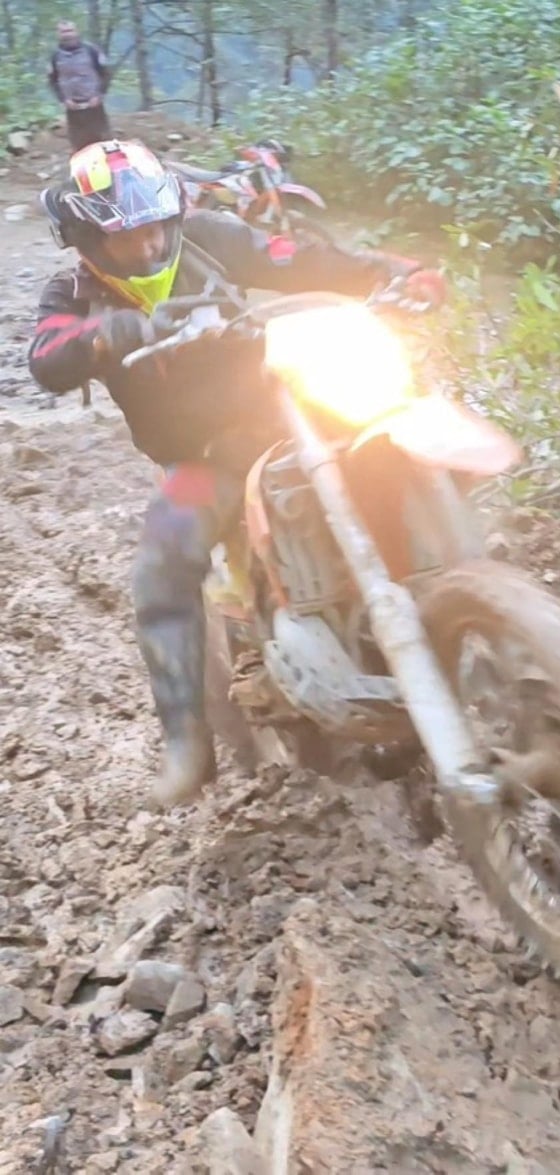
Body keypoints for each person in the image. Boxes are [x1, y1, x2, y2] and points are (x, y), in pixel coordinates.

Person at [29, 139, 444, 810]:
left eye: (156, 226)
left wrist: (390, 271)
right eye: (126, 236)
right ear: (86, 239)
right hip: (203, 456)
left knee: (399, 431)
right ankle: (187, 746)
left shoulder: (211, 236)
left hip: (287, 407)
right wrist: (117, 333)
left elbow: (293, 256)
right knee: (162, 565)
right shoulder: (73, 294)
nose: (148, 245)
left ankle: (461, 596)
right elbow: (47, 354)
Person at [48, 20, 112, 152]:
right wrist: (64, 99)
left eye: (70, 31)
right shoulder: (54, 56)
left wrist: (99, 94)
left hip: (94, 104)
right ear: (58, 34)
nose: (67, 34)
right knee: (79, 144)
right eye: (63, 32)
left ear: (76, 32)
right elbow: (52, 80)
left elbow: (106, 73)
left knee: (103, 140)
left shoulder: (92, 50)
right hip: (73, 107)